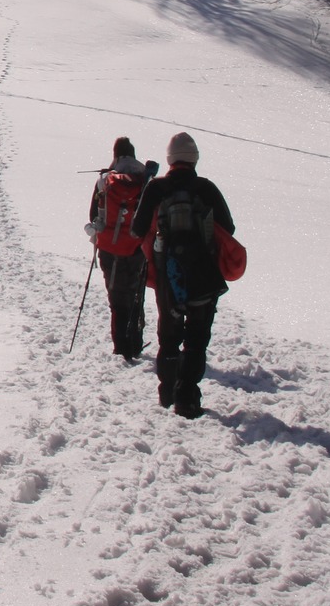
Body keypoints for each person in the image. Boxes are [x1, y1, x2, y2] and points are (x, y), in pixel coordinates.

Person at [130, 132, 235, 419]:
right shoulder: (206, 188)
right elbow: (229, 228)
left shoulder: (157, 188)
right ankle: (187, 398)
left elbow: (137, 229)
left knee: (169, 336)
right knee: (197, 339)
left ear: (170, 159)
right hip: (203, 272)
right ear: (194, 159)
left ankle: (167, 393)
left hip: (167, 273)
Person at [85, 137, 153, 364]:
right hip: (136, 248)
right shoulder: (145, 180)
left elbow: (93, 214)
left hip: (109, 248)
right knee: (135, 294)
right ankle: (135, 342)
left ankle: (121, 347)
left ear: (115, 155)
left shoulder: (105, 180)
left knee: (116, 298)